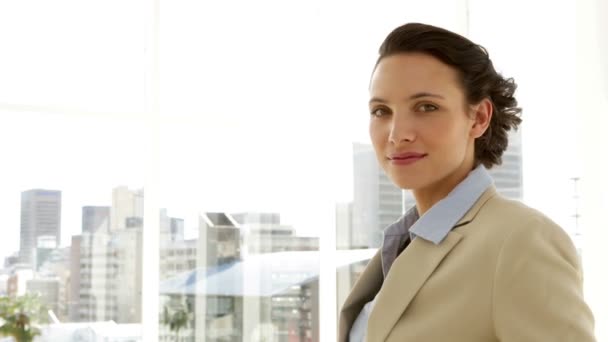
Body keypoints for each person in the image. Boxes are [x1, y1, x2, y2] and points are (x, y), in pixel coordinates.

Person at [338, 22, 596, 342]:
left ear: (479, 118)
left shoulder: (521, 241)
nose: (397, 134)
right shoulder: (401, 244)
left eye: (426, 107)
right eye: (381, 111)